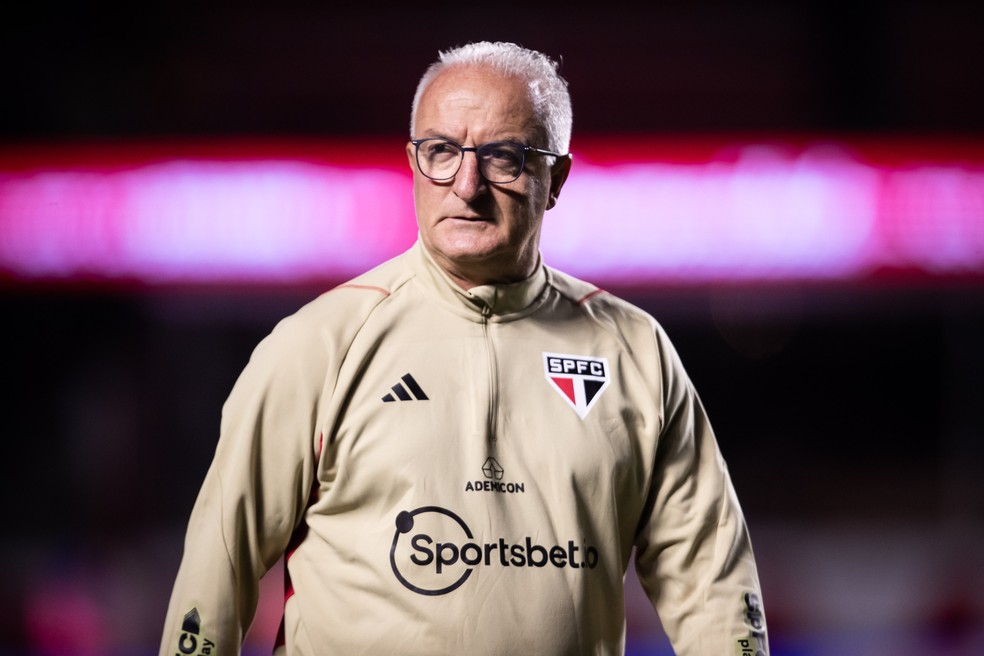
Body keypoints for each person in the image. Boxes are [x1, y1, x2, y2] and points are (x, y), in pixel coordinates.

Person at [160, 41, 768, 656]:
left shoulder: (635, 352)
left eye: (503, 157)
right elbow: (218, 567)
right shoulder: (320, 343)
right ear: (412, 161)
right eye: (442, 152)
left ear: (555, 178)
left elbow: (712, 584)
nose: (466, 185)